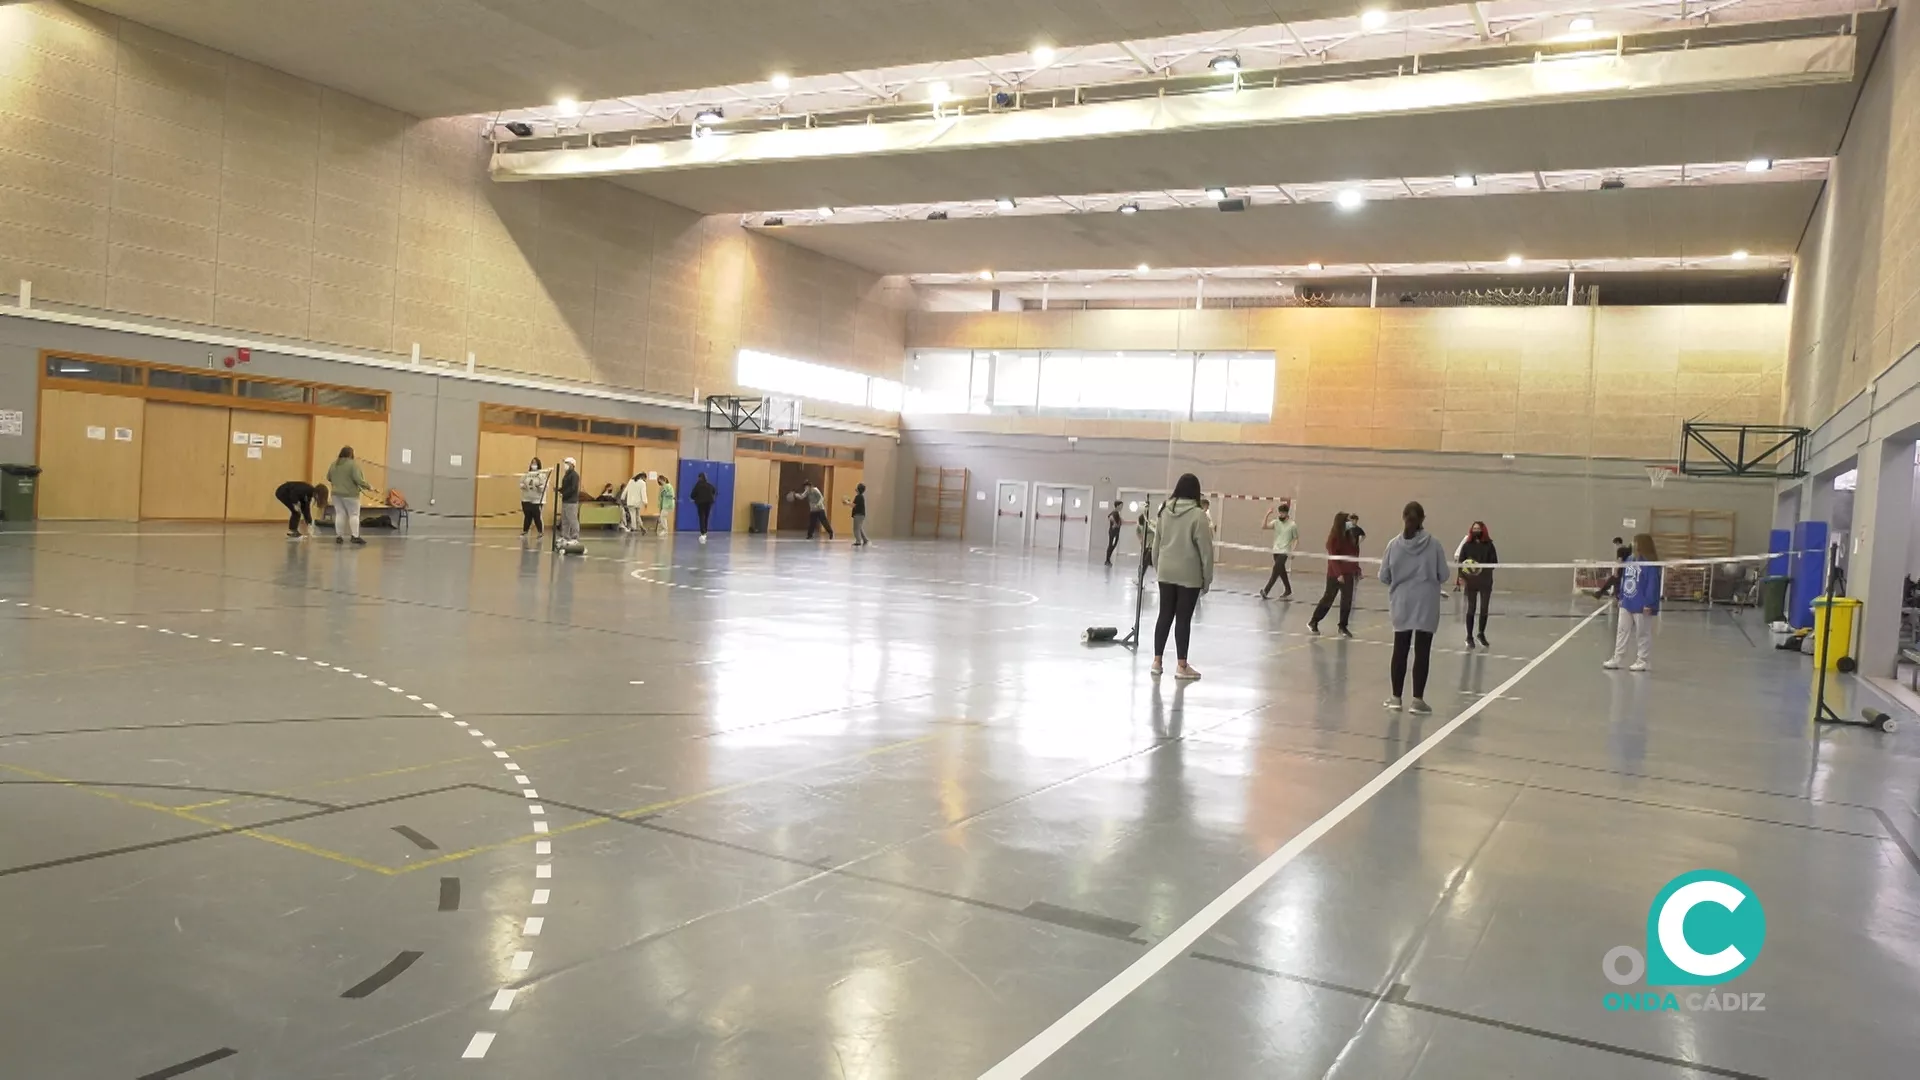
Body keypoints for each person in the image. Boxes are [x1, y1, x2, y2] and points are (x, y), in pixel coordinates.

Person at [1380, 501, 1449, 713]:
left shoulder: (1393, 545)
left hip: (1402, 603)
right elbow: (1444, 575)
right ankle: (1418, 700)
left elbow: (1384, 576)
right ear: (1423, 519)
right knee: (1422, 651)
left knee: (1400, 650)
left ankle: (1395, 698)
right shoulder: (1435, 544)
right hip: (1426, 604)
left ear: (1403, 518)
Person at [1150, 474, 1214, 681]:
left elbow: (1156, 544)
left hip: (1166, 571)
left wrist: (1158, 566)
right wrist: (1207, 578)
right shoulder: (1198, 515)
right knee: (1183, 619)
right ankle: (1181, 665)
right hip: (1189, 574)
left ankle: (1157, 662)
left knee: (1164, 615)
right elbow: (1206, 550)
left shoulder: (1163, 511)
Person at [1604, 534, 1663, 672]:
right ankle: (1617, 658)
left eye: (1635, 542)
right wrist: (1622, 597)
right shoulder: (1630, 559)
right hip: (1628, 602)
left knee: (1642, 633)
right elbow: (1625, 579)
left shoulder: (1649, 563)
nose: (1633, 544)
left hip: (1642, 604)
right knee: (1621, 631)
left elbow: (1652, 584)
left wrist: (1649, 603)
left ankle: (1643, 660)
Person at [1308, 511, 1364, 636]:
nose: (1351, 523)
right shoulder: (1333, 538)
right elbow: (1333, 557)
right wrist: (1339, 574)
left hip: (1349, 573)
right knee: (1328, 598)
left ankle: (1342, 627)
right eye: (1348, 521)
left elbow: (1354, 555)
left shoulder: (1351, 536)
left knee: (1347, 600)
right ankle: (1314, 621)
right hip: (1335, 574)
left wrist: (1357, 570)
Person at [1455, 520, 1498, 648]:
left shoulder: (1489, 545)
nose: (1476, 530)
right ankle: (1469, 636)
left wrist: (1481, 569)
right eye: (1474, 528)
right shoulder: (1467, 545)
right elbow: (1461, 562)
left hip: (1485, 581)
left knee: (1484, 609)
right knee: (1471, 609)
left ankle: (1481, 633)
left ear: (1483, 530)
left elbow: (1494, 563)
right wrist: (1462, 577)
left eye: (1478, 528)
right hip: (1471, 582)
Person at [325, 446, 374, 546]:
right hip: (350, 494)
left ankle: (339, 537)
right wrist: (369, 487)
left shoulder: (334, 464)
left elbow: (328, 477)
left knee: (339, 514)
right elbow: (358, 480)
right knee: (354, 514)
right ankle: (355, 536)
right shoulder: (353, 465)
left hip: (335, 494)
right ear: (351, 454)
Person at [1259, 500, 1299, 600]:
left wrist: (1292, 551)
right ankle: (1288, 589)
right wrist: (1267, 514)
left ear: (1287, 513)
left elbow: (1296, 539)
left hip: (1284, 551)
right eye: (1280, 513)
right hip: (1276, 551)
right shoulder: (1276, 522)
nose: (1281, 514)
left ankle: (1266, 590)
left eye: (1283, 513)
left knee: (1276, 570)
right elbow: (1263, 526)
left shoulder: (1292, 525)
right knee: (1281, 571)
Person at [518, 458, 548, 539]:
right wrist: (523, 486)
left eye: (535, 463)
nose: (533, 465)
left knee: (537, 516)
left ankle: (540, 532)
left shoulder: (542, 475)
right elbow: (521, 483)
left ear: (538, 464)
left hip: (537, 500)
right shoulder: (526, 474)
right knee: (527, 516)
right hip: (526, 498)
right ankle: (525, 531)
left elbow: (544, 486)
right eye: (532, 463)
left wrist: (539, 487)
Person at [556, 457, 581, 547]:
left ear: (572, 465)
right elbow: (565, 487)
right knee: (565, 520)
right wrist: (559, 490)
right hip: (565, 501)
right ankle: (565, 537)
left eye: (567, 463)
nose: (565, 465)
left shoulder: (574, 475)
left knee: (572, 520)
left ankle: (575, 538)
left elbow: (573, 488)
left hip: (571, 502)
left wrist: (564, 494)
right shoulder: (566, 475)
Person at [691, 472, 717, 542]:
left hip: (701, 503)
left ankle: (703, 532)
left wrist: (695, 498)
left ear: (699, 478)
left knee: (701, 517)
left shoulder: (698, 485)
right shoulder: (709, 485)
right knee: (706, 516)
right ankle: (705, 531)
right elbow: (714, 491)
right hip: (709, 502)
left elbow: (692, 495)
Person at [656, 473, 677, 538]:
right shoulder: (662, 487)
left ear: (664, 480)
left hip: (668, 504)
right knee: (663, 517)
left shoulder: (668, 486)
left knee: (663, 517)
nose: (660, 482)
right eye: (659, 481)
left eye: (661, 480)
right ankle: (665, 530)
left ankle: (665, 530)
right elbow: (660, 498)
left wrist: (665, 493)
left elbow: (672, 495)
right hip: (664, 504)